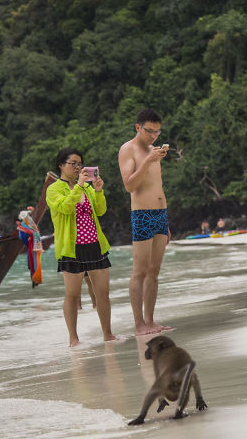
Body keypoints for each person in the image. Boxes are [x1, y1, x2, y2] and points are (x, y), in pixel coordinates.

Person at [46, 147, 117, 346]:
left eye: (80, 163)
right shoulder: (54, 189)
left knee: (102, 292)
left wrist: (99, 190)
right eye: (73, 163)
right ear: (61, 165)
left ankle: (107, 334)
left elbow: (101, 210)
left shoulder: (86, 187)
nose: (78, 167)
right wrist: (78, 186)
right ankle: (73, 338)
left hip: (95, 244)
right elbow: (66, 208)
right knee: (72, 294)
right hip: (71, 248)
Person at [118, 108, 172, 336]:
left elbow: (157, 184)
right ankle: (139, 323)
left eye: (157, 132)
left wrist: (166, 222)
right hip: (142, 215)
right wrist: (148, 160)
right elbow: (130, 185)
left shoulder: (153, 150)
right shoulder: (127, 149)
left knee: (154, 271)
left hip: (161, 213)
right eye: (150, 131)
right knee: (139, 271)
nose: (153, 136)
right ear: (138, 127)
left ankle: (150, 320)